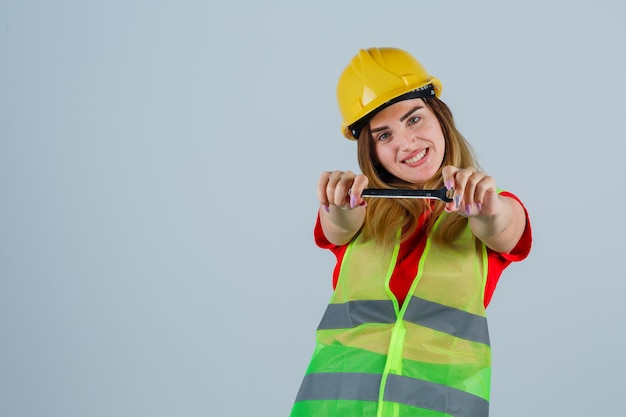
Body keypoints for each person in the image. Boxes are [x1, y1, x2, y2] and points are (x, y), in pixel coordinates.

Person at [289, 47, 532, 417]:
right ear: (370, 152)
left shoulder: (491, 207)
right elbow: (337, 227)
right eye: (383, 136)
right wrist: (337, 205)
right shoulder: (359, 211)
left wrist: (487, 210)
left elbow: (503, 225)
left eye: (414, 120)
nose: (405, 143)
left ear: (440, 116)